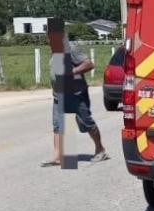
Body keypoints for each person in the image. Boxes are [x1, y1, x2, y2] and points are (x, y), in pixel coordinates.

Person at [41, 35, 109, 166]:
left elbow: (88, 64)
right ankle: (58, 157)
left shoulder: (70, 48)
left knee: (86, 123)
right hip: (59, 96)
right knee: (58, 126)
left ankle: (100, 150)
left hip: (75, 94)